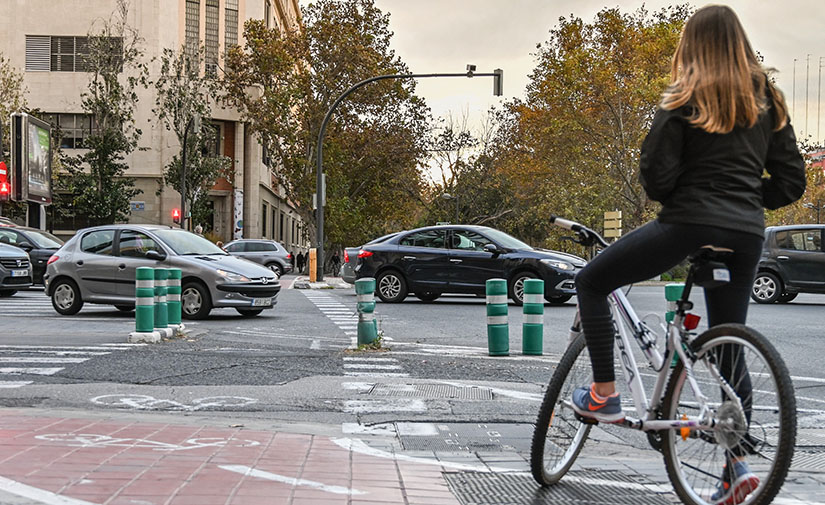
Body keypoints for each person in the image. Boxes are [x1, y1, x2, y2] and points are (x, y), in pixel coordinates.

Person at [568, 6, 805, 504]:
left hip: (688, 223)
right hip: (745, 233)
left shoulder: (683, 97)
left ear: (690, 47)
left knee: (592, 280)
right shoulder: (769, 101)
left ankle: (604, 395)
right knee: (728, 345)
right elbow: (790, 183)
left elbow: (656, 180)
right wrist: (741, 200)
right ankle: (736, 465)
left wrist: (699, 195)